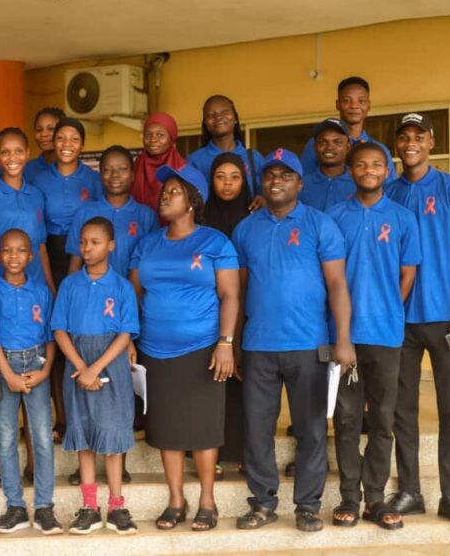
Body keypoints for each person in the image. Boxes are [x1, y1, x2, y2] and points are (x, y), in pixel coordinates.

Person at [231, 148, 355, 533]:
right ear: (262, 183)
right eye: (270, 175)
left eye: (286, 175)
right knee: (256, 430)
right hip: (258, 346)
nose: (276, 181)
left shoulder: (320, 225)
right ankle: (263, 502)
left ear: (300, 183)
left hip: (309, 344)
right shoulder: (245, 229)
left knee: (312, 430)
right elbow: (238, 290)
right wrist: (233, 344)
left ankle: (307, 506)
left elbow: (337, 285)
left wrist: (344, 340)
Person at [129, 163, 239, 533]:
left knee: (204, 427)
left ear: (193, 201)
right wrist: (129, 339)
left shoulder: (214, 242)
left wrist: (225, 343)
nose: (164, 196)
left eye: (173, 192)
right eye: (163, 192)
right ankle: (176, 499)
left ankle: (207, 500)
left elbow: (229, 294)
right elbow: (134, 295)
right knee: (168, 428)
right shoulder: (147, 243)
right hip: (155, 349)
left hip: (202, 346)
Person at [386, 113, 450, 525]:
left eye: (418, 136)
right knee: (401, 411)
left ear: (431, 142)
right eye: (403, 137)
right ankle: (410, 491)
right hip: (400, 321)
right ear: (397, 146)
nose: (411, 143)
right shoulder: (388, 192)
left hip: (446, 318)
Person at [326, 142, 421, 530]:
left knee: (382, 419)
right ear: (351, 170)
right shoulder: (333, 218)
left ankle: (376, 499)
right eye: (362, 164)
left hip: (385, 334)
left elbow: (408, 274)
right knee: (347, 418)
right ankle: (349, 496)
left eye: (377, 165)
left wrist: (389, 309)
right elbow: (328, 280)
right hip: (344, 336)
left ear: (387, 171)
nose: (369, 169)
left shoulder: (402, 218)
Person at [54, 217, 140, 535]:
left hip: (111, 363)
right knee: (85, 435)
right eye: (83, 243)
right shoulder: (69, 284)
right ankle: (90, 507)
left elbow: (126, 332)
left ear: (111, 246)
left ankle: (117, 505)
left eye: (95, 242)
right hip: (76, 363)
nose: (87, 248)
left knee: (113, 438)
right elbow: (60, 330)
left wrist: (96, 368)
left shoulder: (121, 287)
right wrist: (81, 365)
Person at [0, 229, 61, 535]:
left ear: (31, 256)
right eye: (8, 251)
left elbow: (52, 336)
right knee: (5, 436)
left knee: (41, 436)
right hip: (5, 365)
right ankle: (15, 506)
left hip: (36, 365)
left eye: (21, 251)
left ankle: (44, 507)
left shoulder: (41, 292)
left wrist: (45, 371)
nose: (14, 257)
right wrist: (9, 375)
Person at [30, 117, 102, 441]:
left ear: (82, 145)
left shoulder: (94, 179)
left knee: (80, 336)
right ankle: (60, 420)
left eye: (74, 137)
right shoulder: (38, 178)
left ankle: (87, 417)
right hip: (47, 255)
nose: (66, 143)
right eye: (61, 137)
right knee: (52, 337)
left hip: (84, 257)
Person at [202, 152, 252, 479]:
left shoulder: (254, 214)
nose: (228, 183)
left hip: (248, 308)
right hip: (210, 313)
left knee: (245, 383)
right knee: (212, 382)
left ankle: (246, 452)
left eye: (235, 176)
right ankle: (213, 452)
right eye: (221, 176)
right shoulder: (202, 219)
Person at [0, 128, 54, 290]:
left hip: (36, 288)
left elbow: (41, 247)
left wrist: (50, 287)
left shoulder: (36, 194)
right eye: (5, 152)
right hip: (2, 285)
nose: (12, 158)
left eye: (18, 151)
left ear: (28, 154)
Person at [66, 145, 158, 277]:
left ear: (132, 175)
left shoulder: (147, 216)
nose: (115, 175)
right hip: (93, 294)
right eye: (108, 170)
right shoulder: (85, 213)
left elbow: (152, 266)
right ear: (100, 175)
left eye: (122, 169)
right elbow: (75, 264)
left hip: (134, 294)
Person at [300, 77, 396, 180]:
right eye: (346, 101)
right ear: (338, 104)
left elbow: (388, 188)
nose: (354, 106)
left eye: (361, 101)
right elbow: (305, 183)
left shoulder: (380, 150)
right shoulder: (318, 143)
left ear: (369, 105)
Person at [187, 94, 264, 209]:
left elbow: (266, 194)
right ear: (205, 123)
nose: (218, 117)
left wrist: (264, 199)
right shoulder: (194, 161)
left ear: (235, 119)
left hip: (248, 224)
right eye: (211, 115)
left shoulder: (254, 158)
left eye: (224, 112)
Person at [131, 112, 186, 214]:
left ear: (171, 138)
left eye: (160, 135)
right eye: (148, 135)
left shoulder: (184, 169)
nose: (153, 140)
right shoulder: (135, 166)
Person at [299, 118, 356, 211]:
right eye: (322, 142)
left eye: (338, 142)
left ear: (348, 147)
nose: (329, 147)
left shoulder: (359, 182)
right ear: (314, 147)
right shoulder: (300, 185)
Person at [24, 107, 66, 185]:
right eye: (39, 129)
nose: (44, 134)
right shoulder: (26, 169)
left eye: (51, 129)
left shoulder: (72, 167)